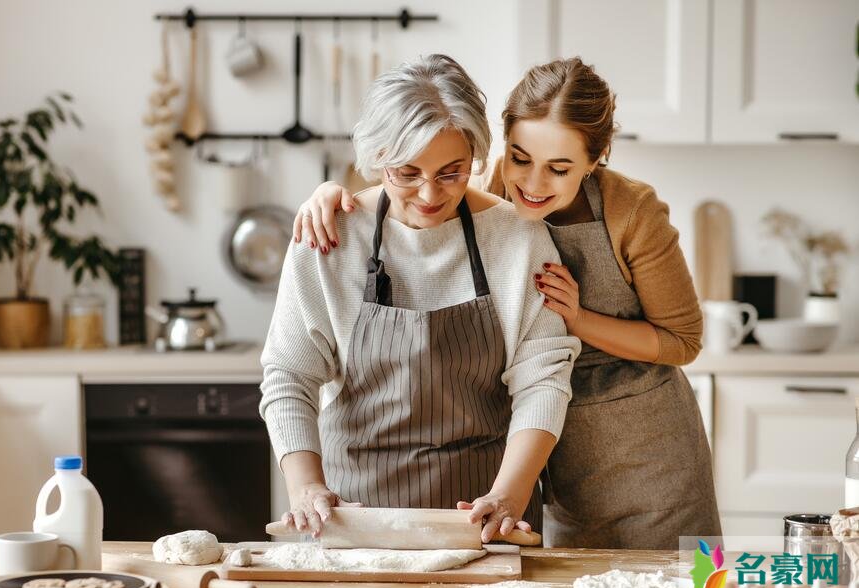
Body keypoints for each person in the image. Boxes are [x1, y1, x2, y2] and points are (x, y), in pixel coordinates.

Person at [291, 57, 721, 549]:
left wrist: (577, 320)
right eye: (520, 158)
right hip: (552, 454)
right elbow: (421, 182)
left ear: (597, 158)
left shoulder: (633, 212)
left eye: (559, 169)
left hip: (651, 452)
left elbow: (683, 341)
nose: (533, 185)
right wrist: (334, 197)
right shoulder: (493, 195)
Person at [260, 54, 579, 544]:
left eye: (453, 172)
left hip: (484, 519)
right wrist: (305, 488)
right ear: (377, 158)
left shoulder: (518, 240)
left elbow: (543, 379)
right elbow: (289, 375)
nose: (430, 194)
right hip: (354, 521)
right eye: (407, 173)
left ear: (475, 155)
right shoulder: (329, 237)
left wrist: (510, 496)